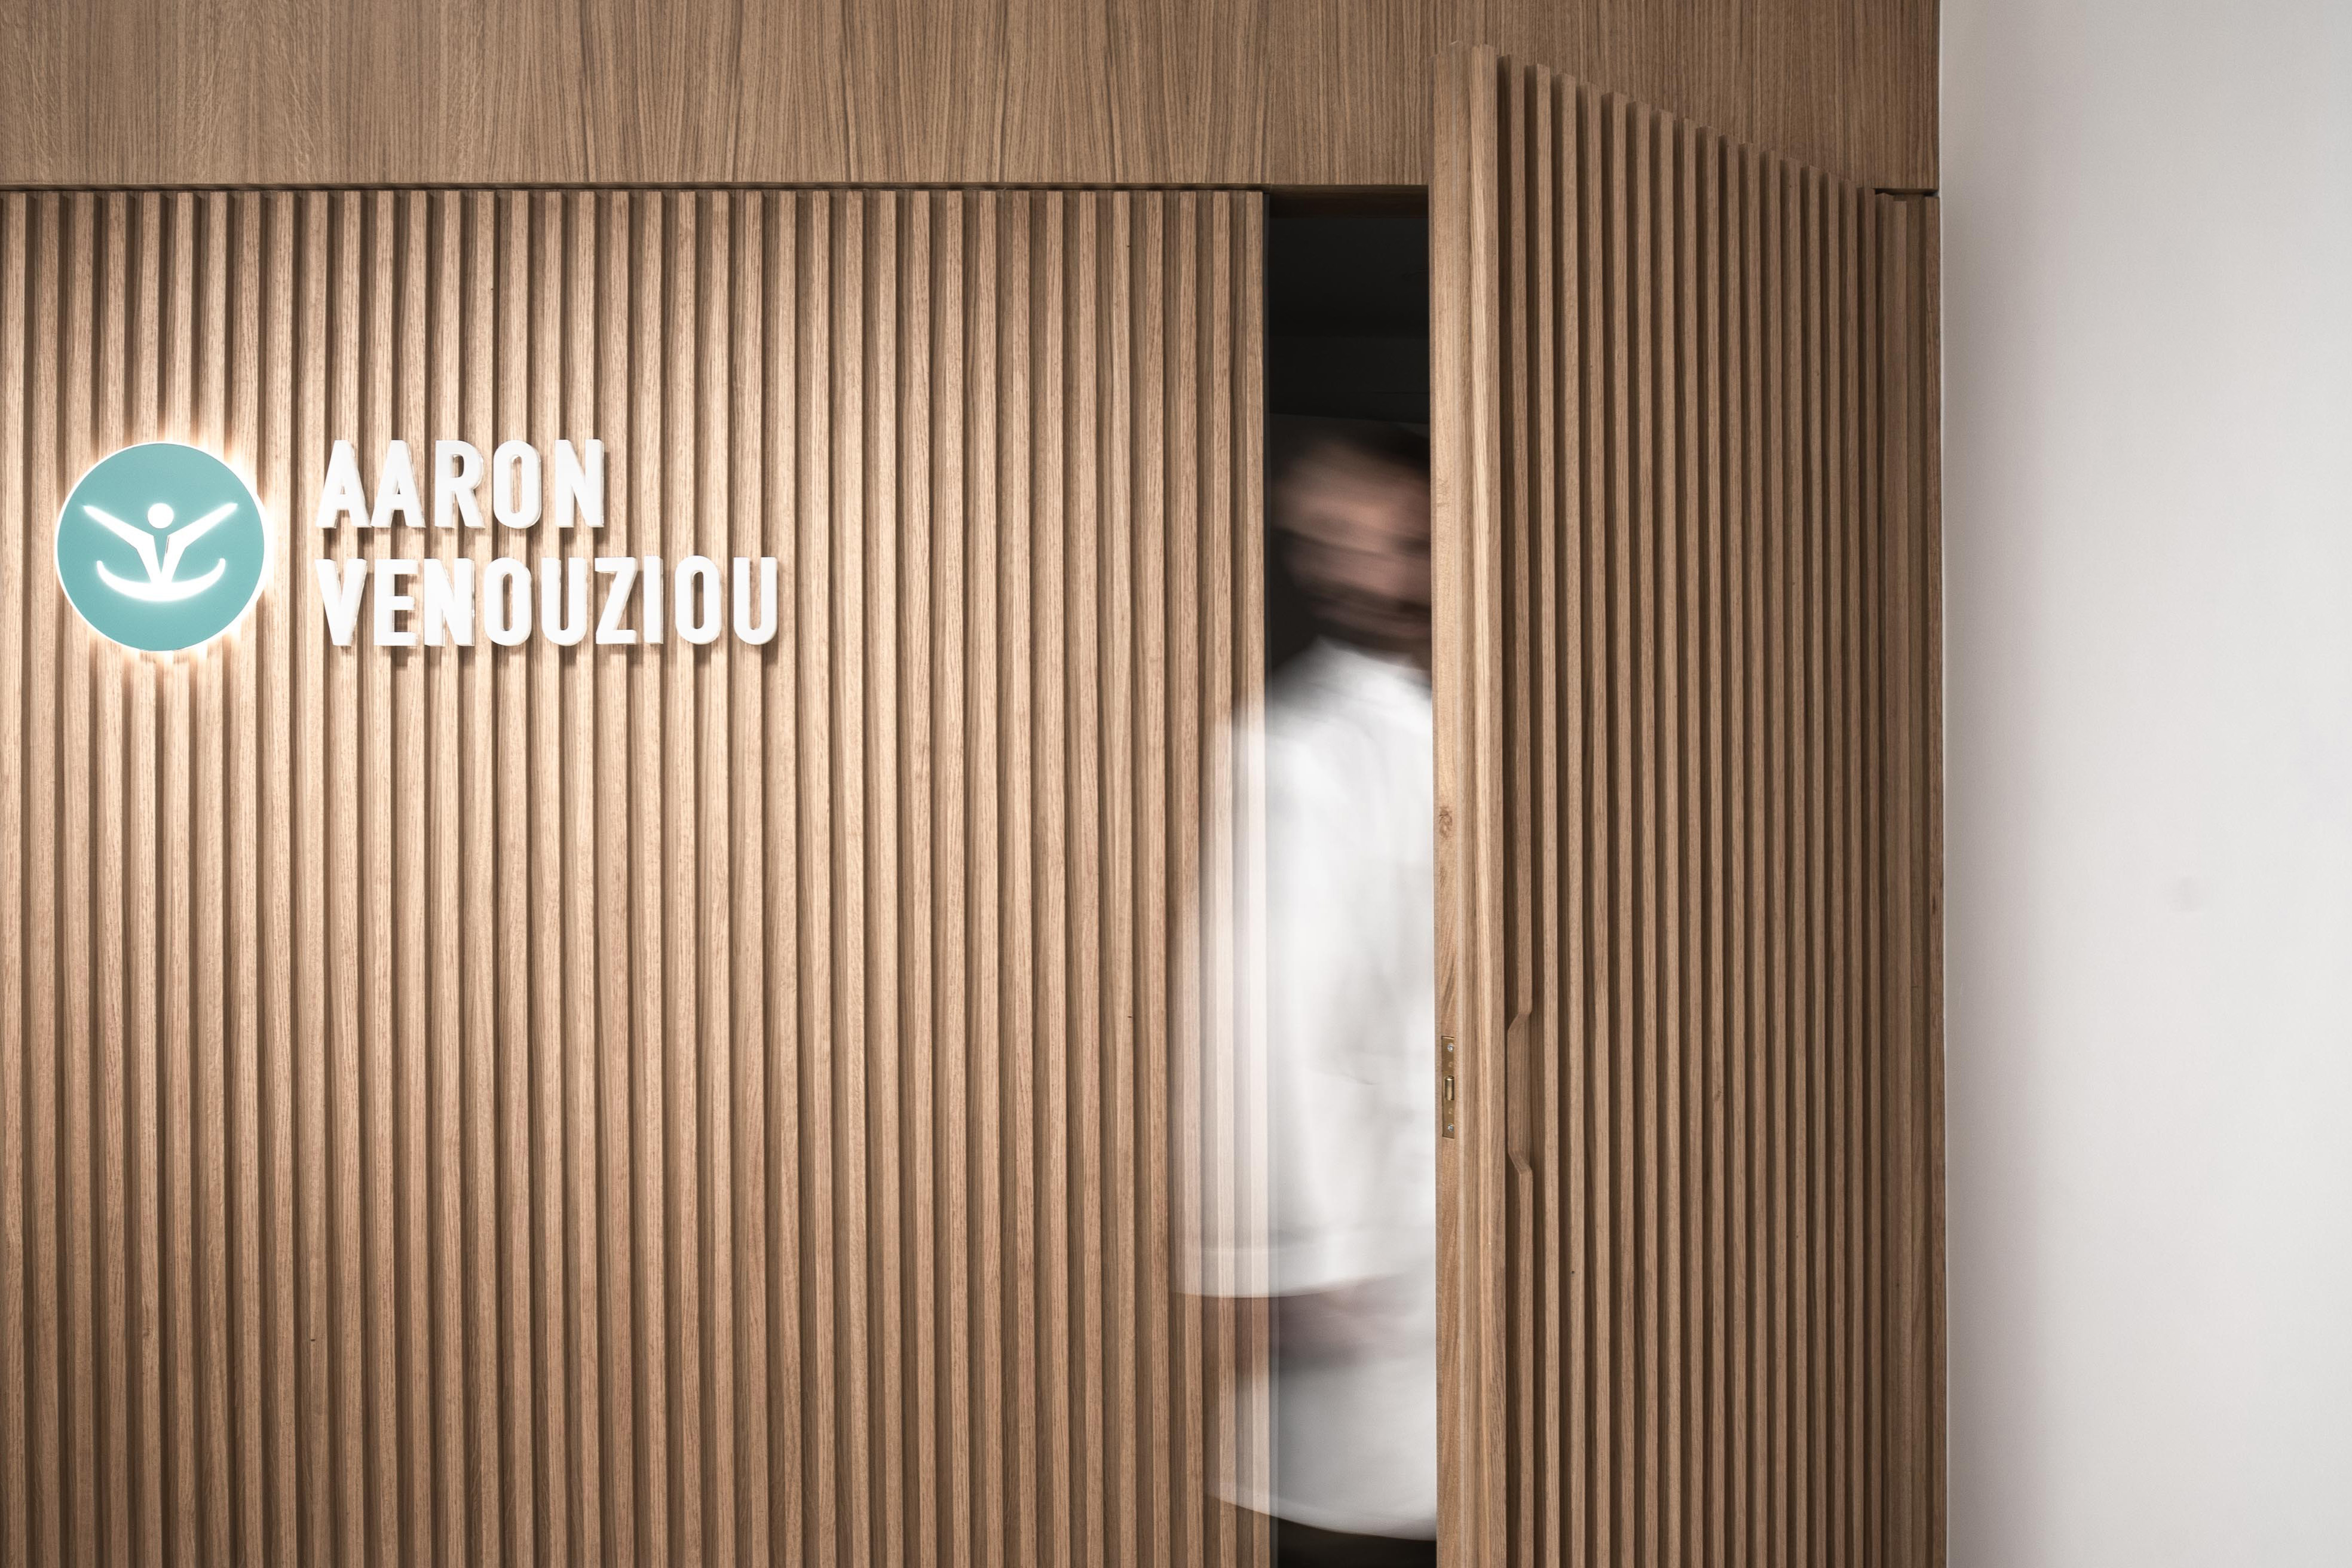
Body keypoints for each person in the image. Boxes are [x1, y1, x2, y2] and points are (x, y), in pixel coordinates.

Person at [1192, 422, 1438, 1568]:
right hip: (1362, 1229)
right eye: (1334, 538)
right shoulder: (1296, 749)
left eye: (1403, 539)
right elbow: (1268, 1016)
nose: (1371, 570)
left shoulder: (1522, 714)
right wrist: (1308, 1249)